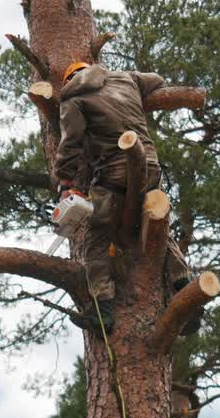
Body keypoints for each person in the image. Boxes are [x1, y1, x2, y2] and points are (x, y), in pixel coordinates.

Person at [53, 61, 195, 333]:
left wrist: (65, 182)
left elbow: (70, 142)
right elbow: (157, 79)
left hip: (115, 174)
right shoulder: (125, 78)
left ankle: (103, 312)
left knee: (97, 237)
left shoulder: (73, 97)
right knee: (156, 230)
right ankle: (186, 293)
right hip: (150, 167)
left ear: (69, 80)